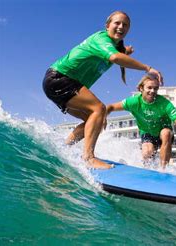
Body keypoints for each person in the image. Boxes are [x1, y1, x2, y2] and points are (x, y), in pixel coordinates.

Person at [42, 11, 163, 169]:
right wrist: (147, 68)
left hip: (59, 82)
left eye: (125, 25)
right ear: (107, 26)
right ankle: (89, 157)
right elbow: (114, 58)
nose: (121, 27)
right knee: (99, 109)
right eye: (117, 23)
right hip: (60, 78)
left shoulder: (115, 46)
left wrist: (126, 51)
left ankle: (63, 149)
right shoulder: (101, 39)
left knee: (93, 120)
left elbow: (119, 53)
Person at [106, 75, 176, 168]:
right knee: (147, 153)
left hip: (163, 133)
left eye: (155, 88)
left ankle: (163, 169)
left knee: (166, 133)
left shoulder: (164, 103)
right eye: (149, 88)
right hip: (147, 133)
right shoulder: (134, 102)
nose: (152, 91)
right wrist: (104, 117)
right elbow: (110, 107)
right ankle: (148, 169)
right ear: (141, 88)